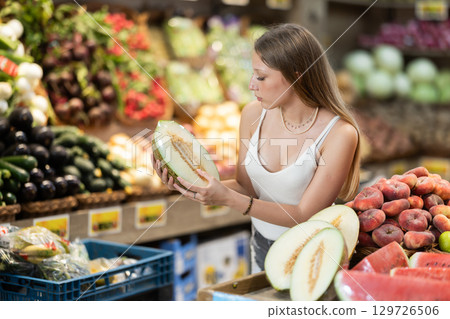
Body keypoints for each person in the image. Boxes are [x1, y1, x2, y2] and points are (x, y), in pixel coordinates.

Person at [152, 23, 361, 273]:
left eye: (261, 76)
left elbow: (303, 215)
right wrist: (187, 182)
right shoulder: (252, 114)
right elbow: (245, 187)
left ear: (297, 75)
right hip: (260, 247)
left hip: (312, 256)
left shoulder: (339, 134)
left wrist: (229, 199)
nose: (252, 85)